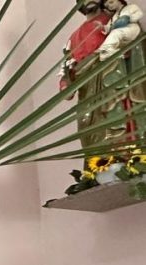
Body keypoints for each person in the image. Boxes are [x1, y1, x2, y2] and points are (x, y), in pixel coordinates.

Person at [60, 0, 146, 153]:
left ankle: (131, 164)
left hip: (112, 83)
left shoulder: (115, 20)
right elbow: (68, 66)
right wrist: (65, 81)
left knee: (120, 128)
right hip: (88, 95)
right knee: (93, 138)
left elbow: (134, 43)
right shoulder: (73, 37)